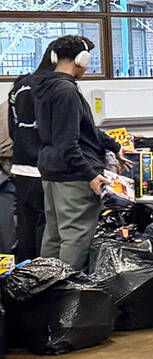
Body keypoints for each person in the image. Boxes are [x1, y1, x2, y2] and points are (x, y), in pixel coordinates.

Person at [32, 35, 117, 270]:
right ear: (82, 59)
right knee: (75, 236)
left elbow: (82, 129)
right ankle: (67, 289)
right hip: (74, 175)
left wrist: (116, 146)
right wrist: (91, 175)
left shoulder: (45, 87)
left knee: (54, 234)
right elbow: (69, 142)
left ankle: (47, 284)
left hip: (52, 170)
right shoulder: (66, 91)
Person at [6, 49, 50, 261]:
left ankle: (24, 273)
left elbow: (13, 130)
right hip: (43, 168)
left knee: (25, 225)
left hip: (21, 167)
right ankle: (43, 272)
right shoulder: (49, 88)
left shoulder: (17, 90)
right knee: (46, 226)